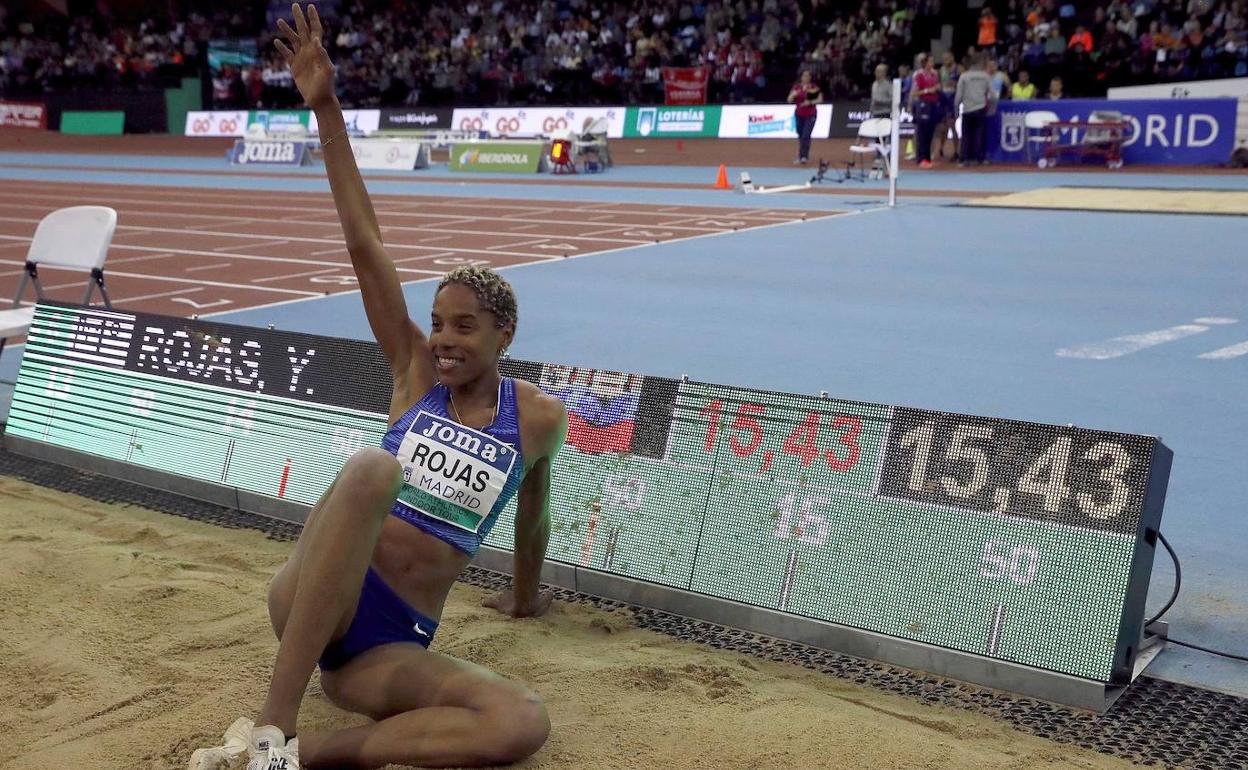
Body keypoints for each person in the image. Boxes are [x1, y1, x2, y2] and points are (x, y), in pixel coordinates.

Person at [187, 5, 568, 770]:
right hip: (314, 602)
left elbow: (534, 515)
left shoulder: (538, 419)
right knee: (373, 468)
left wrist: (525, 597)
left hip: (386, 649)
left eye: (464, 327)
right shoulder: (413, 372)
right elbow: (366, 248)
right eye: (437, 322)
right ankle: (273, 726)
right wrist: (326, 106)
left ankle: (305, 759)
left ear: (504, 337)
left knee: (520, 722)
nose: (443, 340)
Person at [955, 53, 997, 166]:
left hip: (967, 109)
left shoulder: (964, 76)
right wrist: (992, 109)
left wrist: (956, 109)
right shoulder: (985, 76)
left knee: (966, 135)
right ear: (980, 64)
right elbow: (993, 96)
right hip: (980, 108)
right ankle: (980, 159)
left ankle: (964, 159)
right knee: (980, 134)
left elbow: (959, 95)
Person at [910, 54, 941, 168]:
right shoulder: (919, 75)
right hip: (923, 105)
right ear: (925, 63)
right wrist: (928, 90)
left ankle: (927, 158)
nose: (932, 63)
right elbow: (914, 92)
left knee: (930, 133)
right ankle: (920, 158)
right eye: (930, 61)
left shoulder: (935, 74)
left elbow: (937, 87)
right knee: (922, 133)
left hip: (933, 105)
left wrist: (937, 89)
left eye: (932, 61)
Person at [787, 69, 822, 164]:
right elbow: (789, 100)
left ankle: (803, 156)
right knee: (801, 135)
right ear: (801, 77)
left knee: (806, 135)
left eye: (808, 76)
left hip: (810, 114)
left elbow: (819, 99)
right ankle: (803, 153)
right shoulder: (797, 87)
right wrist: (793, 95)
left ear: (810, 78)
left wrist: (810, 102)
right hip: (799, 114)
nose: (806, 77)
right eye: (804, 76)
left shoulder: (813, 87)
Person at [936, 50, 961, 160]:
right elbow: (939, 84)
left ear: (952, 58)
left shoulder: (959, 69)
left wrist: (955, 84)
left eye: (947, 58)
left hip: (953, 99)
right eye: (943, 59)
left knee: (952, 125)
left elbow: (962, 83)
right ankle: (941, 149)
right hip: (943, 99)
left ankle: (956, 151)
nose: (945, 61)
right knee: (942, 127)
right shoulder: (941, 70)